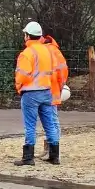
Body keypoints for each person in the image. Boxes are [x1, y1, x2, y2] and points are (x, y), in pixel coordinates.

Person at [14, 21, 68, 166]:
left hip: (30, 93)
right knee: (50, 124)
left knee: (30, 125)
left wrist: (19, 87)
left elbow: (22, 75)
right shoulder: (48, 50)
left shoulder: (27, 53)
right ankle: (54, 156)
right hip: (47, 91)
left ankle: (28, 158)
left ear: (27, 36)